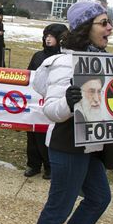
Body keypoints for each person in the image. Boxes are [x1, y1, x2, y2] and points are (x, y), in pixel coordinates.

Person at [26, 1, 113, 224]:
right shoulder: (66, 62)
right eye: (103, 22)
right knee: (59, 206)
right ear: (86, 28)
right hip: (66, 144)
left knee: (100, 197)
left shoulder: (101, 59)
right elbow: (51, 109)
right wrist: (67, 100)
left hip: (91, 142)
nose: (110, 28)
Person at [25, 23, 68, 179]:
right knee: (32, 136)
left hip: (52, 104)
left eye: (52, 36)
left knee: (47, 137)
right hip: (34, 104)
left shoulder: (63, 59)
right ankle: (33, 164)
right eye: (46, 36)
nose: (48, 39)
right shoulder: (38, 56)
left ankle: (49, 167)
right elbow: (28, 77)